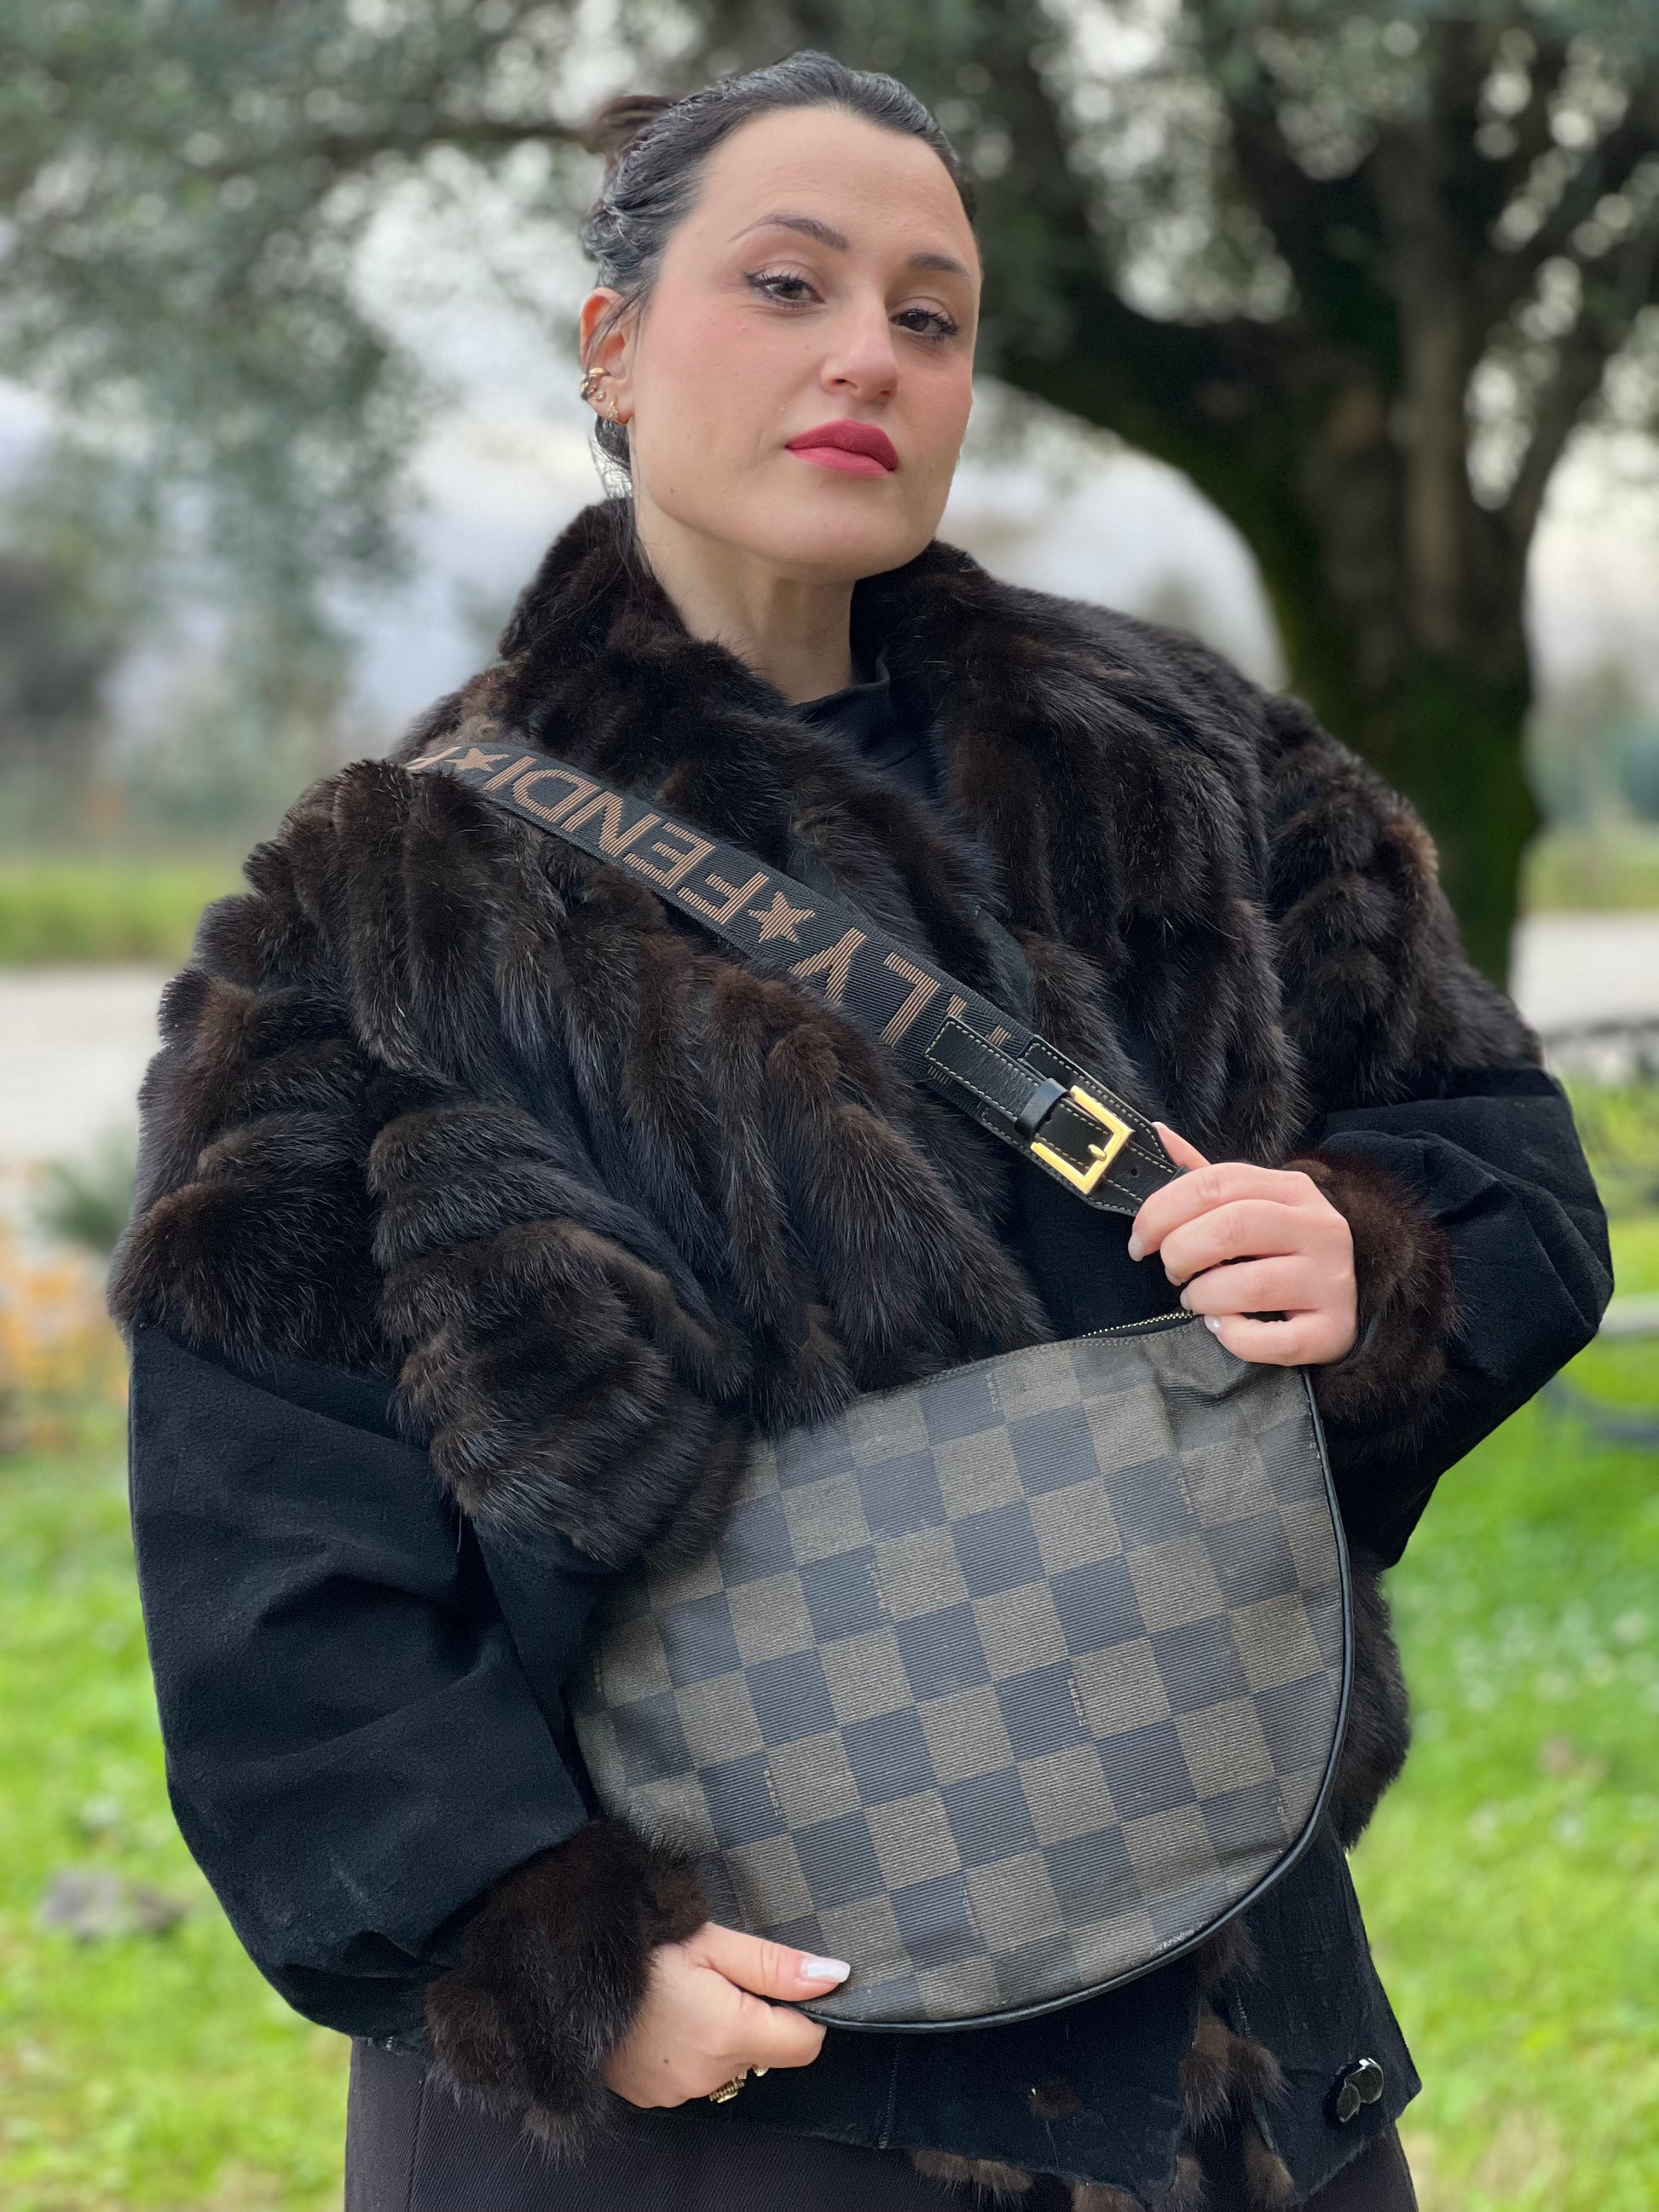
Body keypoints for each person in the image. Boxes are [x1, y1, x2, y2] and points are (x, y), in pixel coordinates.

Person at [110, 49, 1610, 2212]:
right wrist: (530, 1942)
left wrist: (1374, 1253)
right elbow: (265, 1520)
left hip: (1211, 2017)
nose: (866, 359)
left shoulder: (1186, 761)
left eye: (929, 314)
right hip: (715, 2077)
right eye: (787, 284)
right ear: (613, 344)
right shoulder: (386, 900)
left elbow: (1499, 1154)